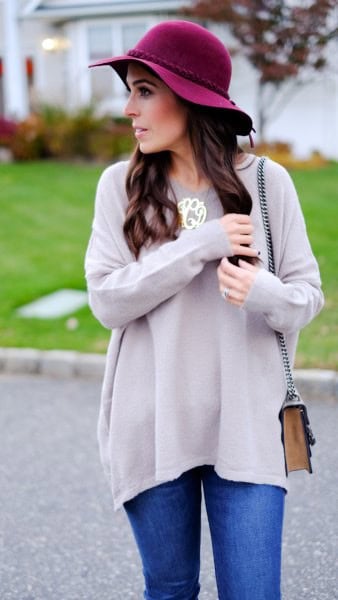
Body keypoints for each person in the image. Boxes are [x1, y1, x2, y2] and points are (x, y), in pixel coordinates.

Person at [85, 20, 324, 600]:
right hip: (154, 425)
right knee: (169, 592)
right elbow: (107, 300)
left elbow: (306, 296)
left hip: (245, 426)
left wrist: (261, 291)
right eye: (129, 90)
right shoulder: (122, 186)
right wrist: (199, 244)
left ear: (189, 99)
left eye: (144, 90)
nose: (128, 108)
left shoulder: (267, 184)